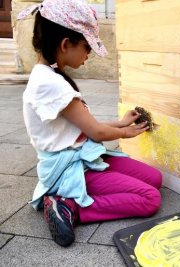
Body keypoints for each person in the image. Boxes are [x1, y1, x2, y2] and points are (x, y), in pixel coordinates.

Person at [18, 0, 162, 247]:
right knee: (150, 198)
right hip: (70, 168)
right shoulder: (49, 82)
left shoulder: (49, 76)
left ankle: (85, 192)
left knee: (154, 178)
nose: (88, 55)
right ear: (65, 44)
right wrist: (125, 132)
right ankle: (68, 206)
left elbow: (84, 126)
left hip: (85, 157)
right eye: (87, 47)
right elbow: (95, 130)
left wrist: (119, 122)